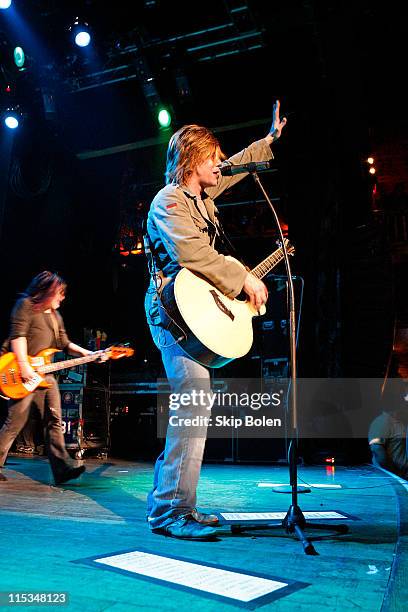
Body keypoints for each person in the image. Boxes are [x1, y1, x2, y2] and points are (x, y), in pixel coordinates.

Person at [144, 100, 287, 539]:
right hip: (170, 312)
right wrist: (242, 276)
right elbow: (193, 255)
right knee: (193, 403)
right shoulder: (169, 200)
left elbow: (237, 167)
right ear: (191, 161)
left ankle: (175, 505)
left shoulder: (201, 197)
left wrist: (267, 142)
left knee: (196, 406)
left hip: (193, 310)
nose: (218, 165)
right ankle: (170, 512)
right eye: (211, 158)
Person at [0, 271, 93, 484]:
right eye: (59, 293)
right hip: (22, 373)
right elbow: (18, 336)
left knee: (54, 420)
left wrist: (88, 355)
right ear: (48, 291)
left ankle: (61, 469)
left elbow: (64, 344)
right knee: (15, 422)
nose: (62, 297)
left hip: (45, 375)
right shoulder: (25, 305)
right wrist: (24, 367)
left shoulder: (55, 316)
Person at [369, 376, 408, 480]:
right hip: (391, 478)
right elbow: (377, 448)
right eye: (404, 397)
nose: (406, 401)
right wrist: (393, 473)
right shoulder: (382, 421)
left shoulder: (401, 423)